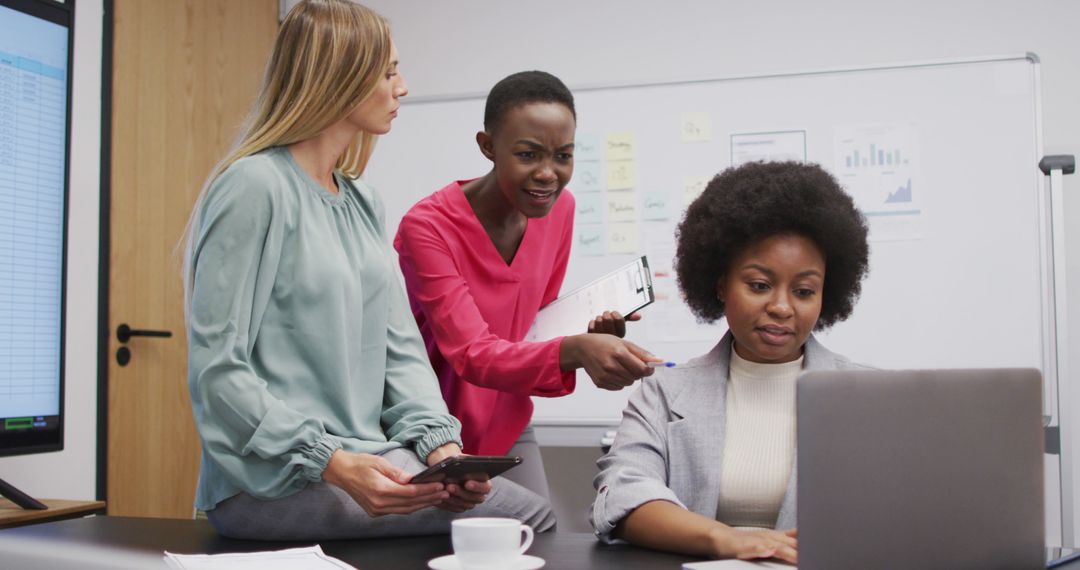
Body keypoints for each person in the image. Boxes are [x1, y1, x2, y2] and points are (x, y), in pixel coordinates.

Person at [181, 0, 553, 541]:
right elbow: (217, 371)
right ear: (339, 77)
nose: (403, 87)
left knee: (504, 509)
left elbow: (399, 352)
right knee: (531, 518)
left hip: (368, 457)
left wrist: (442, 450)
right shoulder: (254, 187)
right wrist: (330, 459)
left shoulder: (362, 202)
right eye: (389, 71)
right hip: (268, 479)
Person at [393, 71, 659, 500]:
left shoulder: (560, 209)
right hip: (429, 433)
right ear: (487, 146)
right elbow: (471, 354)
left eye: (563, 156)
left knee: (538, 540)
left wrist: (587, 344)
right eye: (528, 155)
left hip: (508, 421)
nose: (548, 174)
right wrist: (574, 352)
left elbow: (535, 326)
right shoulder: (428, 227)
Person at [590, 161, 872, 564]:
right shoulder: (663, 393)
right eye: (759, 285)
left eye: (805, 290)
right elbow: (621, 497)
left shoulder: (868, 398)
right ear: (721, 284)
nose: (781, 307)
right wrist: (727, 540)